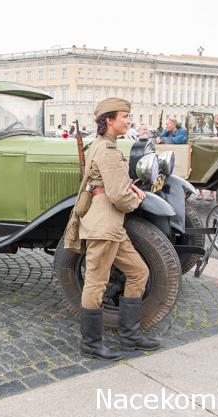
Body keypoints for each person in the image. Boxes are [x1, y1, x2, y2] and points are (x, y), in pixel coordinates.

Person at [77, 97, 160, 360]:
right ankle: (91, 344)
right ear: (109, 120)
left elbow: (110, 182)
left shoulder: (102, 145)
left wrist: (129, 185)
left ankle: (130, 336)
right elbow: (117, 196)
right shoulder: (108, 150)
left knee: (138, 272)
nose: (128, 120)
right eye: (124, 116)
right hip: (104, 225)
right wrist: (138, 199)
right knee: (96, 283)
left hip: (112, 226)